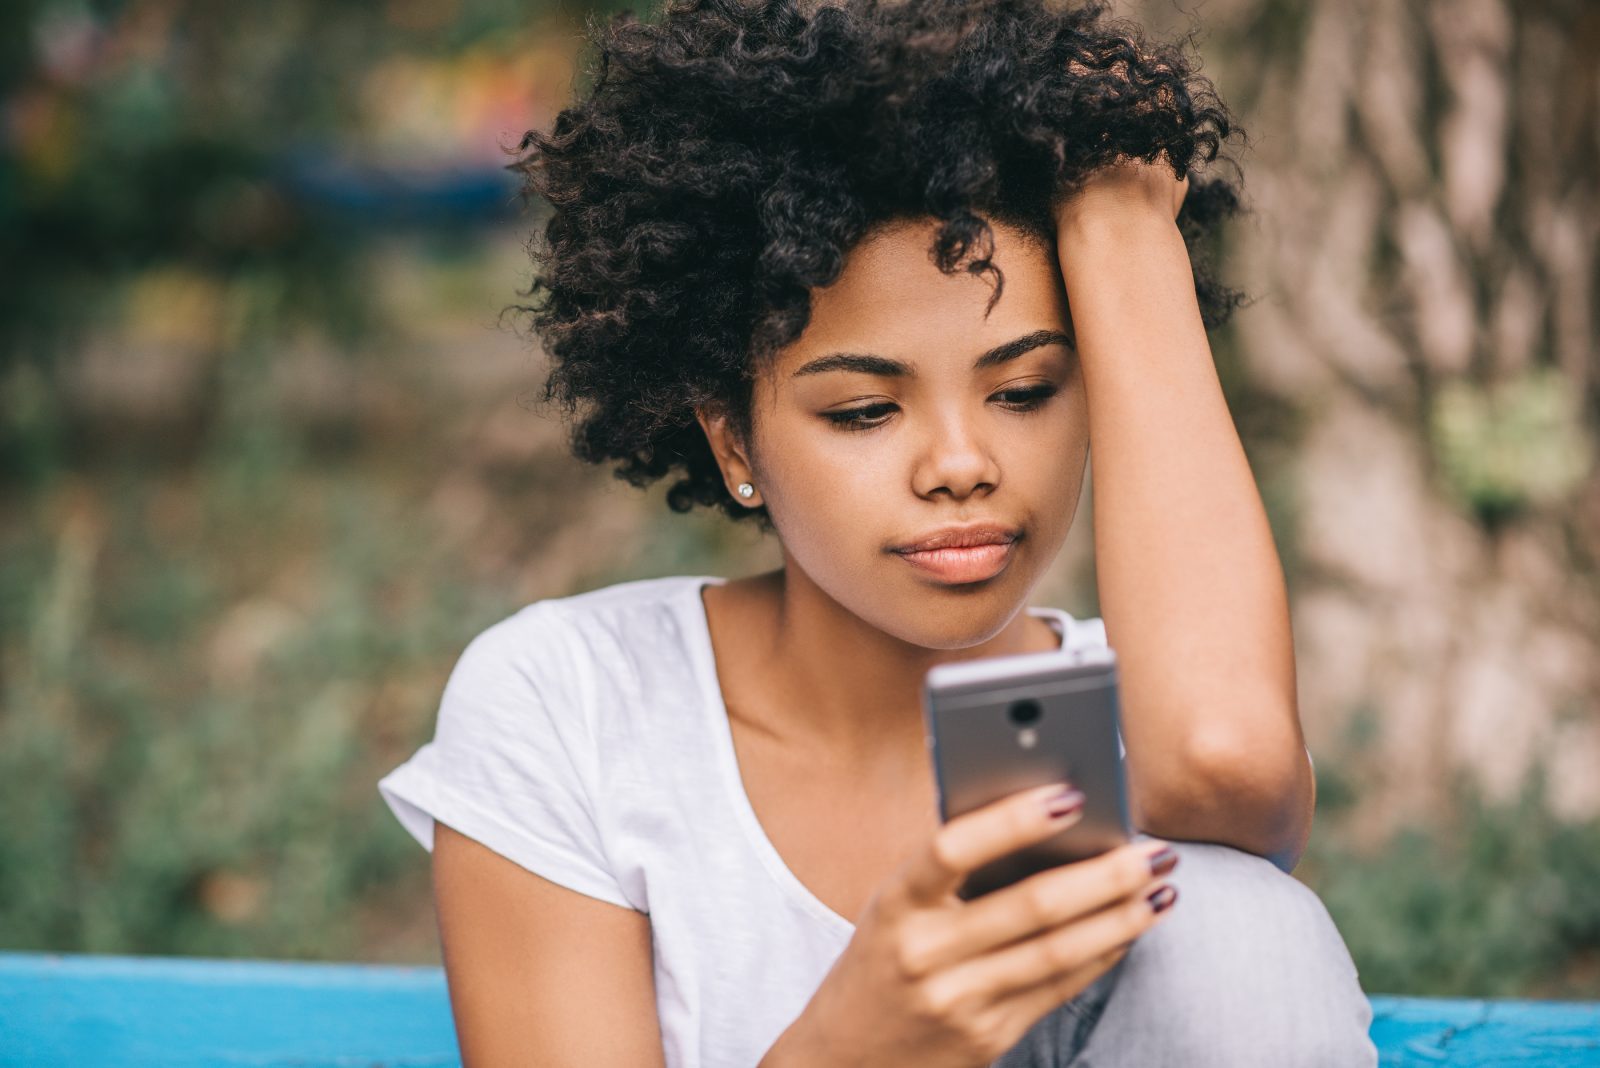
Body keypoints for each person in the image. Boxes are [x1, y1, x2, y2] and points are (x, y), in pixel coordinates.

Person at [377, 0, 1379, 1063]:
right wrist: (861, 1041)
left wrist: (1123, 227)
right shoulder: (578, 707)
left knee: (1230, 914)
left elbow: (1227, 762)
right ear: (733, 440)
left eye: (1028, 389)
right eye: (864, 410)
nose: (960, 465)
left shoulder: (1160, 716)